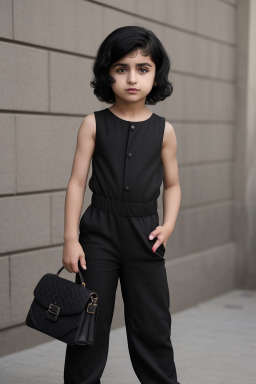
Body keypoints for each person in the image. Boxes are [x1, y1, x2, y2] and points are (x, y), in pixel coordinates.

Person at [62, 25, 181, 384]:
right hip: (98, 235)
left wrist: (169, 223)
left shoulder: (164, 130)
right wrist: (71, 238)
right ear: (107, 73)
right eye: (121, 68)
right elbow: (76, 183)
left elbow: (173, 185)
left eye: (142, 68)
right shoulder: (92, 124)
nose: (132, 78)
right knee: (88, 323)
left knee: (153, 325)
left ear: (155, 74)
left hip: (146, 235)